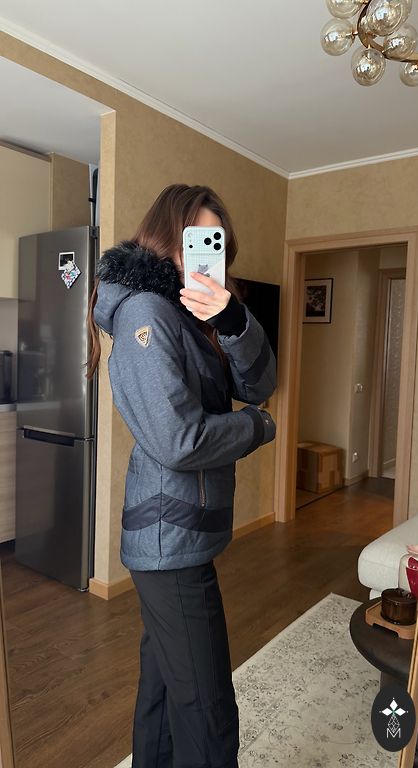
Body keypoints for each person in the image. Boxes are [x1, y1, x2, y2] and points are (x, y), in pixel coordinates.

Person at [86, 184, 277, 768]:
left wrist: (234, 318)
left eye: (214, 243)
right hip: (169, 537)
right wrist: (256, 427)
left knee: (167, 685)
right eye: (195, 239)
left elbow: (259, 383)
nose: (204, 254)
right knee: (207, 708)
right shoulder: (147, 313)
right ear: (165, 236)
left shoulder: (196, 317)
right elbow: (178, 439)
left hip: (180, 533)